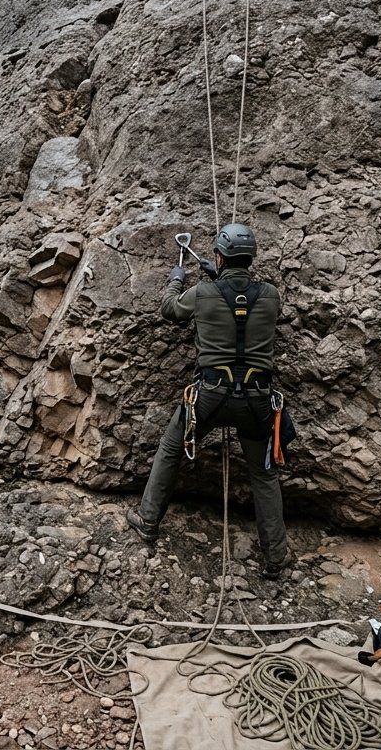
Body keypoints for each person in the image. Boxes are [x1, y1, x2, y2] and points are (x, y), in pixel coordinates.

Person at [126, 223, 292, 580]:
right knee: (264, 475)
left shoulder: (202, 292)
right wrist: (224, 278)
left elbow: (169, 309)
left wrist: (177, 276)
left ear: (219, 256)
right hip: (257, 401)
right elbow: (243, 303)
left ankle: (148, 520)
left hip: (210, 396)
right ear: (250, 258)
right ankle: (276, 557)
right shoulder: (272, 295)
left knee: (171, 448)